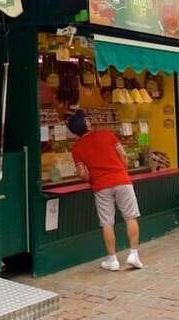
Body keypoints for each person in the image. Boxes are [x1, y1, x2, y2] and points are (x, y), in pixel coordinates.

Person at [68, 110, 143, 271]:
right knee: (130, 217)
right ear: (87, 124)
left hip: (101, 186)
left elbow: (82, 173)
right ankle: (134, 254)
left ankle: (112, 260)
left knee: (107, 223)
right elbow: (124, 156)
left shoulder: (76, 148)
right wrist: (122, 171)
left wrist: (92, 179)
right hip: (122, 180)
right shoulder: (107, 134)